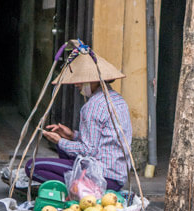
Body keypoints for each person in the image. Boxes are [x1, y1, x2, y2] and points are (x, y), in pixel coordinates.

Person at [25, 49, 133, 192]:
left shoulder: (93, 106)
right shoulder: (118, 99)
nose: (76, 84)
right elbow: (102, 140)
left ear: (94, 80)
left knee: (31, 166)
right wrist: (72, 136)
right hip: (118, 176)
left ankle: (82, 189)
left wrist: (59, 141)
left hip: (102, 177)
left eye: (80, 80)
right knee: (64, 151)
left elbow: (89, 151)